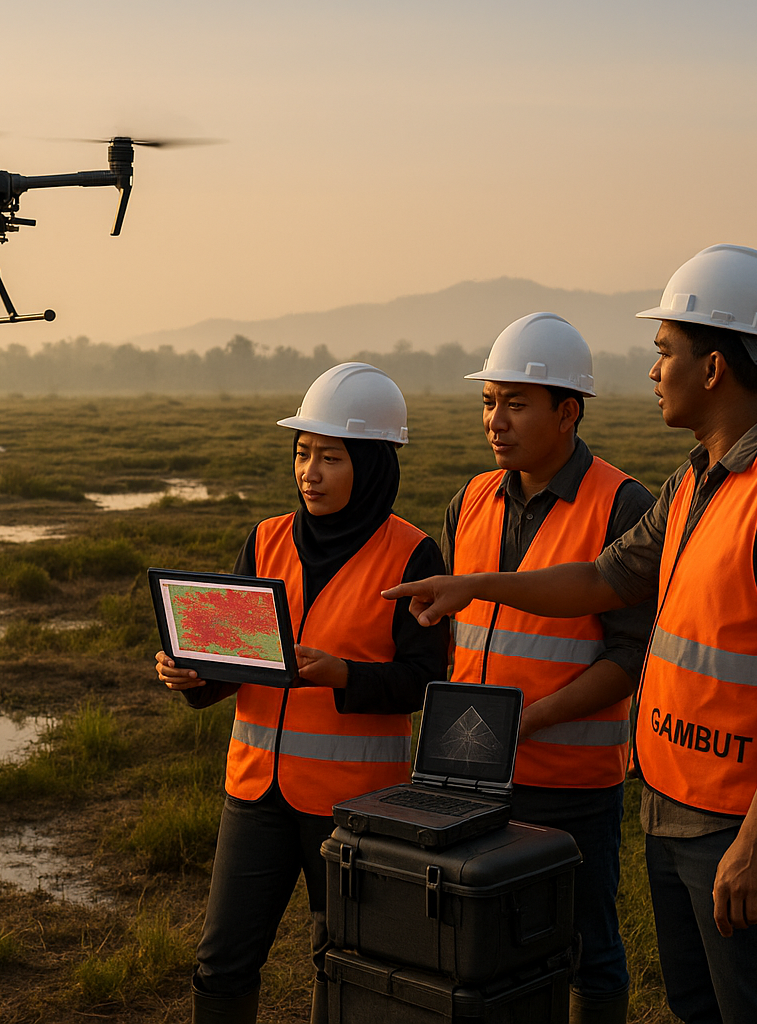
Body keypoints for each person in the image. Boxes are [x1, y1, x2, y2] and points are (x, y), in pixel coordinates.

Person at [384, 244, 757, 1024]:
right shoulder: (694, 482)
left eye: (665, 351)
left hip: (734, 819)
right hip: (672, 801)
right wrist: (473, 584)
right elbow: (601, 580)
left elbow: (620, 634)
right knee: (698, 1007)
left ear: (714, 367)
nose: (653, 371)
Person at [156, 362, 450, 1024]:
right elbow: (236, 660)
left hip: (355, 804)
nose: (309, 472)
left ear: (372, 465)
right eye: (302, 452)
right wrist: (194, 676)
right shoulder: (264, 540)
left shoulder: (411, 554)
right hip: (254, 792)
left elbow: (424, 679)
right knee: (221, 962)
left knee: (344, 961)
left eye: (330, 457)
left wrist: (345, 674)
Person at [437, 311, 655, 1024]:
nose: (495, 421)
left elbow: (631, 655)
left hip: (571, 784)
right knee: (486, 947)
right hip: (471, 773)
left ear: (568, 412)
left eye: (516, 403)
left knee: (589, 949)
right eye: (488, 401)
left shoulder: (622, 504)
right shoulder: (469, 500)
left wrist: (534, 720)